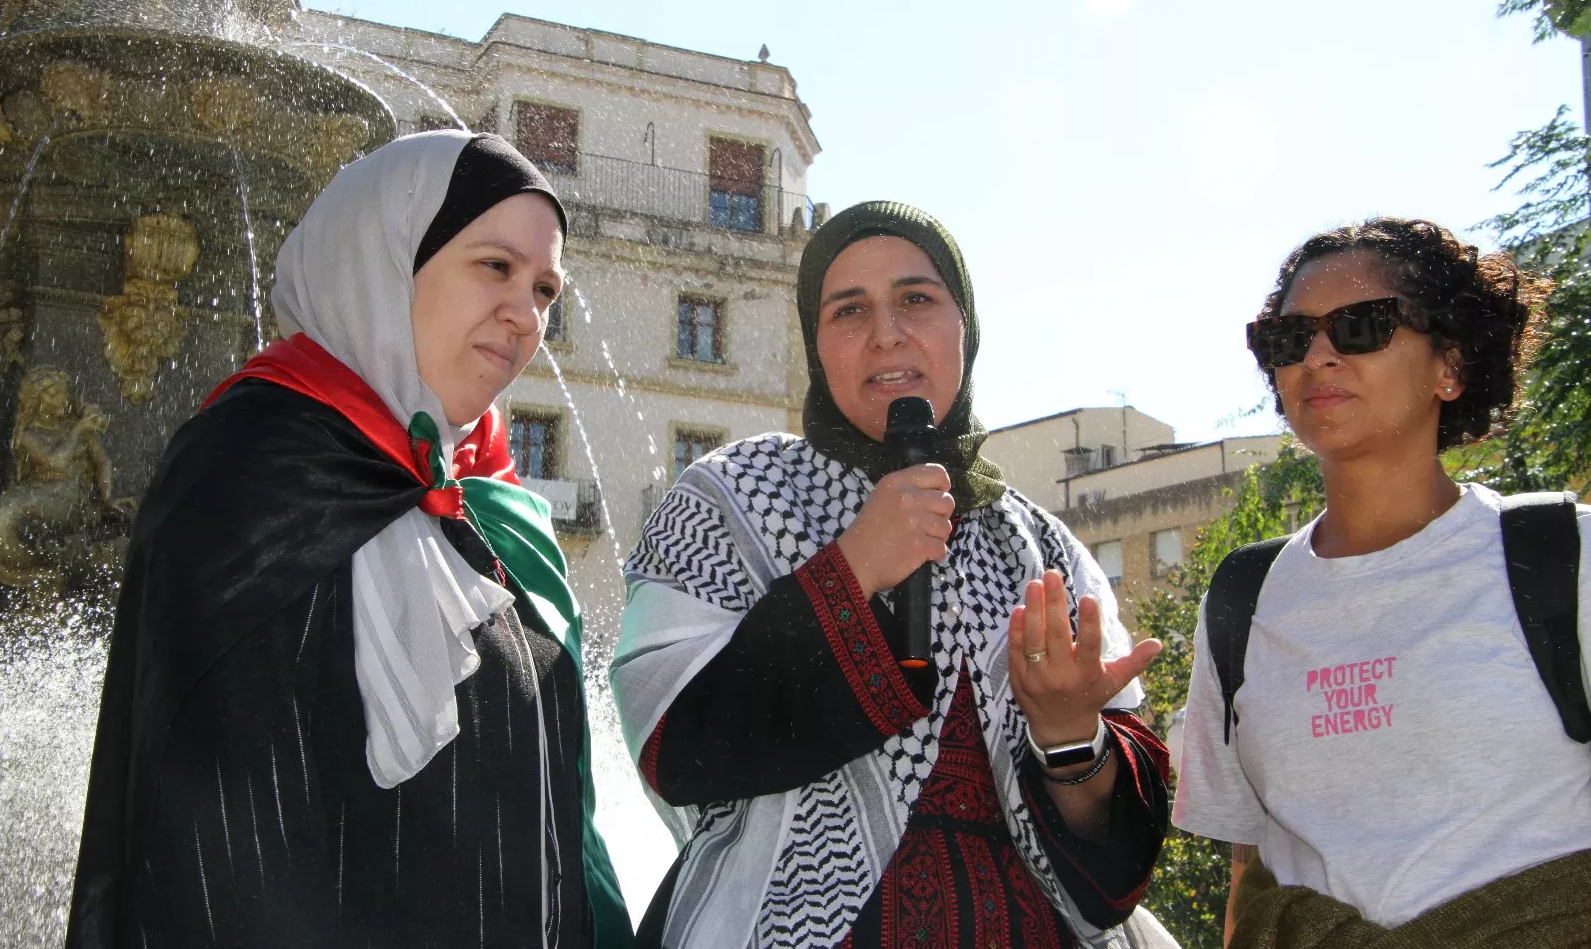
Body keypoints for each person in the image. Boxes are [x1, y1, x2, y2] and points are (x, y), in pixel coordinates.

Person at [66, 131, 634, 948]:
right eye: (495, 267)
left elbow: (564, 829)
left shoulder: (494, 503)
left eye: (546, 288)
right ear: (389, 258)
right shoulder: (246, 472)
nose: (526, 314)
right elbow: (205, 839)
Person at [612, 201, 1175, 949]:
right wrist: (850, 571)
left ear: (964, 327)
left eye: (916, 299)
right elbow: (672, 745)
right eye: (849, 310)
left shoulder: (1043, 547)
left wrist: (1071, 739)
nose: (887, 334)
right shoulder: (733, 497)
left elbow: (1118, 851)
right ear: (815, 344)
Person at [1173, 217, 1591, 948]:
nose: (1319, 356)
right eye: (1289, 338)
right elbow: (1252, 869)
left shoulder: (1567, 556)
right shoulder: (1243, 598)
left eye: (1361, 325)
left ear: (1450, 367)